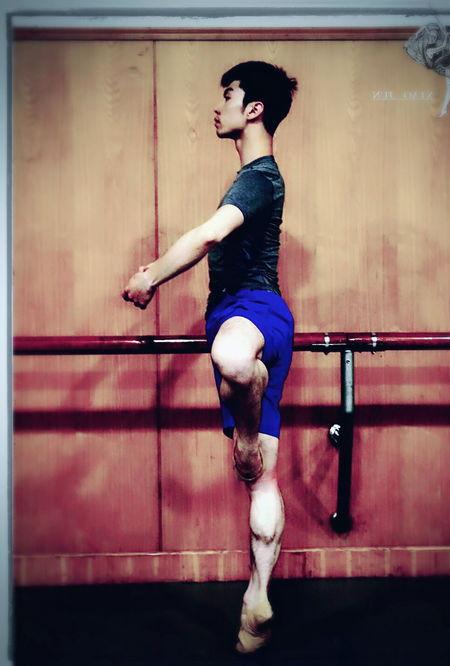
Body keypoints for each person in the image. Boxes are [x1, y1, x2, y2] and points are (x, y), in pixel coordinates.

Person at [122, 60, 298, 654]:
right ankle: (257, 602)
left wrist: (149, 276)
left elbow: (207, 236)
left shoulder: (258, 177)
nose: (217, 107)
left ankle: (245, 432)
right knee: (262, 481)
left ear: (254, 109)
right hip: (259, 319)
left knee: (230, 357)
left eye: (228, 95)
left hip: (251, 310)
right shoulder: (258, 178)